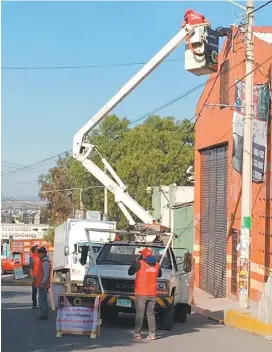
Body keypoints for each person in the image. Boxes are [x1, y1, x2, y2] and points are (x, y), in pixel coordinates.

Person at [128, 247, 162, 340]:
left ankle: (137, 333)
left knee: (140, 314)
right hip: (152, 293)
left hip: (141, 293)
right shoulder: (157, 264)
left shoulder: (140, 263)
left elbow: (130, 272)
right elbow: (159, 274)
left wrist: (135, 263)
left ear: (142, 255)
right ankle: (152, 334)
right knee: (150, 314)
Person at [35, 247, 51, 321]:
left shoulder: (45, 262)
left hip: (43, 285)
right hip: (42, 284)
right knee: (42, 299)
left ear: (43, 253)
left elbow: (46, 274)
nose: (38, 255)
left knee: (42, 300)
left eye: (39, 253)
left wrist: (42, 283)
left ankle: (43, 315)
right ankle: (44, 315)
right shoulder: (43, 261)